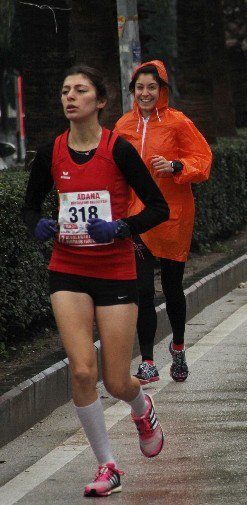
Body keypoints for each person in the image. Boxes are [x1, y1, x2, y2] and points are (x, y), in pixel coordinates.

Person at [22, 65, 169, 497]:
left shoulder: (118, 150)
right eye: (65, 90)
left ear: (100, 101)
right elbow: (29, 208)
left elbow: (158, 208)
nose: (70, 97)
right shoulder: (52, 152)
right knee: (83, 371)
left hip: (115, 270)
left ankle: (142, 407)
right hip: (67, 269)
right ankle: (107, 465)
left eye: (80, 90)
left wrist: (122, 228)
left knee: (115, 381)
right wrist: (40, 225)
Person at [115, 60, 212, 385]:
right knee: (142, 290)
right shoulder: (122, 126)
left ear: (163, 91)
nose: (145, 93)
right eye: (140, 87)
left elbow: (203, 159)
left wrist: (175, 165)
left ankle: (179, 348)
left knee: (172, 288)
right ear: (133, 91)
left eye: (152, 88)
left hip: (173, 215)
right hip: (137, 217)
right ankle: (146, 361)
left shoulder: (178, 122)